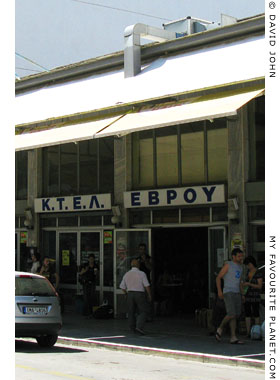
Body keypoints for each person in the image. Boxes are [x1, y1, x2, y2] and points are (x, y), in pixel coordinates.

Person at [215, 248, 244, 344]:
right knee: (231, 313)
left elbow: (239, 282)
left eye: (241, 256)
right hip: (228, 291)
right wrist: (219, 291)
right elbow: (218, 277)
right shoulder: (228, 265)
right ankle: (220, 328)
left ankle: (233, 336)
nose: (241, 258)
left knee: (235, 315)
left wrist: (242, 293)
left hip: (236, 292)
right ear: (233, 256)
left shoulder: (240, 267)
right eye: (239, 256)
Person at [120, 258, 152, 335]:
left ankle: (132, 327)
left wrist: (126, 294)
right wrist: (149, 295)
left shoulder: (127, 274)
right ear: (138, 265)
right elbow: (146, 285)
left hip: (130, 293)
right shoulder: (142, 274)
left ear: (131, 265)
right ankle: (139, 327)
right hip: (140, 294)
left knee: (131, 312)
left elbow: (122, 287)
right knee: (143, 310)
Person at [242, 255, 263, 337]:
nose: (247, 266)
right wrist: (243, 294)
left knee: (256, 313)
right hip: (247, 296)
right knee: (247, 313)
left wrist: (249, 284)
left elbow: (259, 286)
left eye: (248, 264)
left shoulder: (258, 272)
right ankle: (248, 332)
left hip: (255, 296)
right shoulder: (247, 272)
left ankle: (256, 331)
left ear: (251, 264)